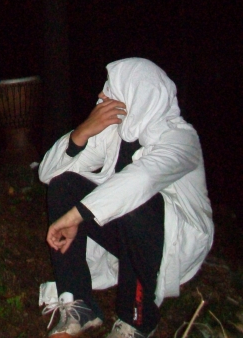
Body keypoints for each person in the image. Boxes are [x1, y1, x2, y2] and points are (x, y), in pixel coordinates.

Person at [38, 58, 213, 338]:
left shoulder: (180, 139)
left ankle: (137, 320)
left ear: (138, 94)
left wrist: (75, 215)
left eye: (112, 88)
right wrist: (82, 133)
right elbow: (48, 175)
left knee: (138, 204)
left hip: (171, 243)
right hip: (127, 234)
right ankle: (79, 305)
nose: (102, 94)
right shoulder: (116, 132)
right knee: (63, 186)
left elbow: (141, 180)